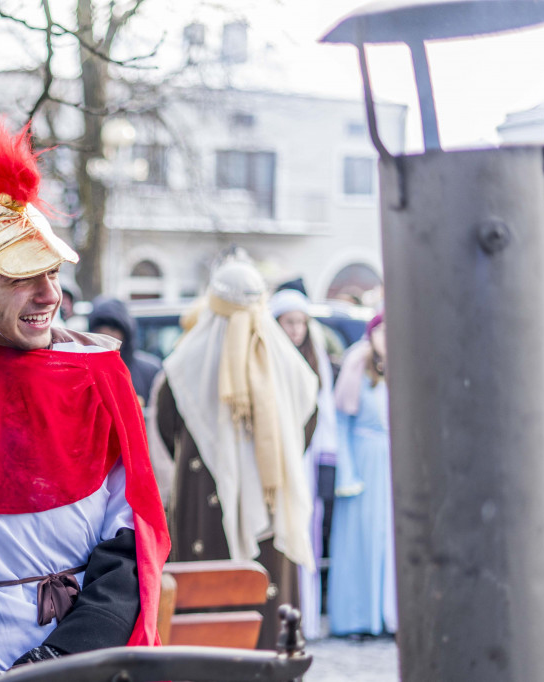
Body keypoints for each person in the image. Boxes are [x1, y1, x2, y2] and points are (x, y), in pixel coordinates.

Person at [0, 109, 170, 674]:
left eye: (52, 273)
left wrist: (62, 660)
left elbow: (128, 546)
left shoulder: (98, 376)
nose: (47, 295)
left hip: (90, 657)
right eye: (20, 276)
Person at [153, 258, 318, 648]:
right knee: (265, 621)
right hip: (270, 510)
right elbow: (307, 426)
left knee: (208, 631)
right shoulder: (289, 366)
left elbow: (164, 431)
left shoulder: (182, 365)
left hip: (202, 513)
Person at [269, 288, 338, 640]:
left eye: (301, 322)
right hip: (278, 457)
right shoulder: (267, 358)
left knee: (308, 532)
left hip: (308, 460)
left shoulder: (314, 362)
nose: (296, 329)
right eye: (289, 322)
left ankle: (306, 617)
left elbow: (325, 416)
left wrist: (328, 461)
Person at [326, 311, 397, 638]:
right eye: (380, 330)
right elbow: (342, 422)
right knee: (361, 538)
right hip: (364, 460)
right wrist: (348, 472)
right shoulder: (357, 364)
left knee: (390, 539)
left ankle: (389, 616)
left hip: (392, 463)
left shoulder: (404, 366)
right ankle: (358, 617)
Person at [87, 295, 162, 407]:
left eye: (113, 329)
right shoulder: (85, 373)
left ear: (126, 332)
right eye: (100, 330)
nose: (107, 336)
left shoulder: (150, 371)